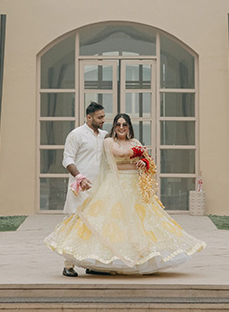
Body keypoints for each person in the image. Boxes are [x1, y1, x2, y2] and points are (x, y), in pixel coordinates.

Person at [45, 112, 205, 275]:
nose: (121, 127)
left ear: (129, 127)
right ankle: (72, 262)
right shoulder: (108, 141)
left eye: (124, 124)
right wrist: (136, 156)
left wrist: (143, 161)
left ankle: (104, 264)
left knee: (140, 223)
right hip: (114, 185)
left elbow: (147, 160)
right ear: (114, 127)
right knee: (104, 222)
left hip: (134, 186)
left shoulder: (134, 142)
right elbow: (115, 158)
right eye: (118, 124)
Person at [58, 101, 107, 277]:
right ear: (89, 117)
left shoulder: (104, 136)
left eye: (103, 117)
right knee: (75, 228)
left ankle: (91, 264)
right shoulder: (76, 134)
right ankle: (68, 265)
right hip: (79, 190)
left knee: (96, 228)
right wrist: (80, 177)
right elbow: (67, 159)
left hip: (98, 190)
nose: (103, 120)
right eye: (99, 117)